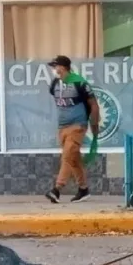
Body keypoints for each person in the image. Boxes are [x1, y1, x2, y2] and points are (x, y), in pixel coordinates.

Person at [45, 55, 98, 204]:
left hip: (77, 125)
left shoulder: (79, 83)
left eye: (56, 67)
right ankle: (83, 189)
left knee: (67, 156)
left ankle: (57, 189)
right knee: (74, 159)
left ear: (63, 67)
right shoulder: (55, 84)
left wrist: (94, 126)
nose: (54, 70)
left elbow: (93, 104)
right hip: (62, 127)